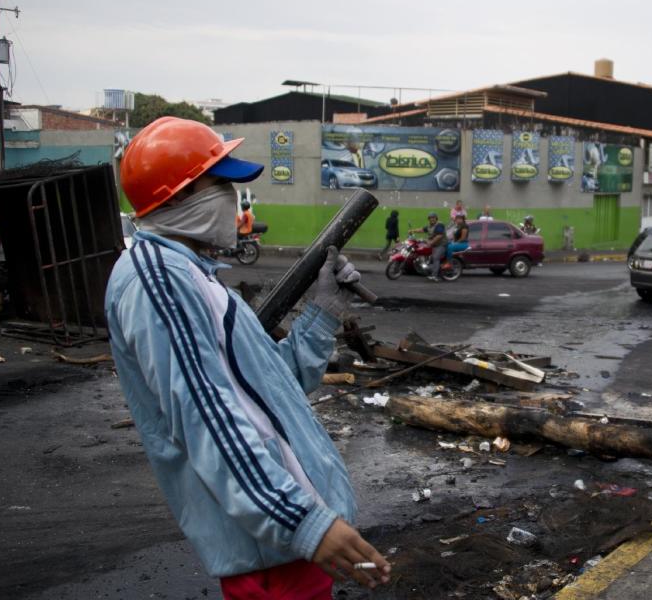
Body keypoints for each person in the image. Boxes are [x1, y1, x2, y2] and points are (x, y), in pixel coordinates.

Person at [105, 117, 390, 600]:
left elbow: (274, 390)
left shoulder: (196, 276)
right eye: (222, 184)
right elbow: (206, 417)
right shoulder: (158, 280)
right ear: (177, 197)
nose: (233, 198)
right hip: (271, 551)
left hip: (283, 544)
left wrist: (324, 312)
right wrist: (304, 522)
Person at [409, 212, 447, 281]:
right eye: (430, 218)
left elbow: (439, 236)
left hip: (440, 245)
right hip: (434, 244)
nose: (432, 219)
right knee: (427, 255)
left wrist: (431, 242)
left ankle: (434, 276)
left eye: (433, 218)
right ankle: (427, 268)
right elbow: (422, 229)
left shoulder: (439, 225)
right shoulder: (430, 226)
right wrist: (413, 231)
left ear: (436, 218)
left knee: (436, 258)